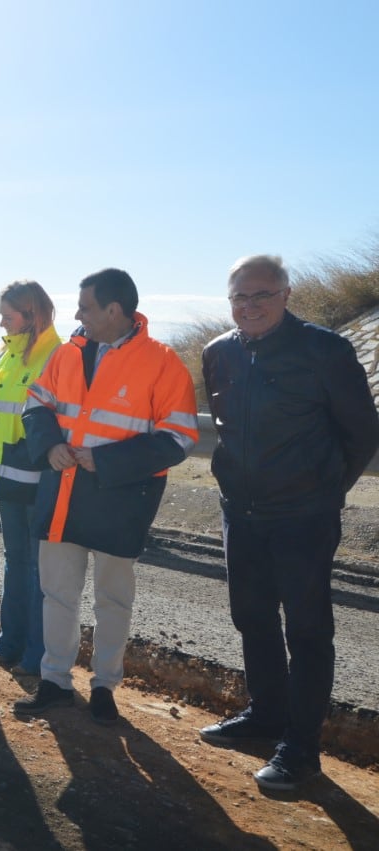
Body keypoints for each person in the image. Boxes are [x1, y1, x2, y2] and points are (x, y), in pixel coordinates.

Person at [199, 255, 379, 792]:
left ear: (286, 294)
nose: (249, 306)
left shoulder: (325, 349)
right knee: (251, 617)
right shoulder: (218, 352)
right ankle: (266, 715)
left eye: (261, 294)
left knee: (307, 630)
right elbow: (227, 428)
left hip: (304, 517)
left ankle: (301, 748)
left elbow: (362, 433)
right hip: (241, 512)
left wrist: (323, 491)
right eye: (239, 297)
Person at [13, 268, 198, 725]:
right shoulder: (67, 354)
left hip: (120, 500)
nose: (78, 314)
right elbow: (36, 405)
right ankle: (55, 681)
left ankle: (104, 687)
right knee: (57, 594)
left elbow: (179, 437)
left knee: (112, 601)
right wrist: (51, 446)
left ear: (115, 310)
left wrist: (107, 461)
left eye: (86, 306)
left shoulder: (162, 362)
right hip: (62, 496)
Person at [0, 281, 62, 676]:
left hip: (37, 476)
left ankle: (36, 652)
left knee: (35, 567)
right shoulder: (6, 353)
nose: (1, 323)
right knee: (15, 561)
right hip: (5, 474)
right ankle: (9, 642)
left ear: (32, 315)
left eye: (8, 317)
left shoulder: (56, 355)